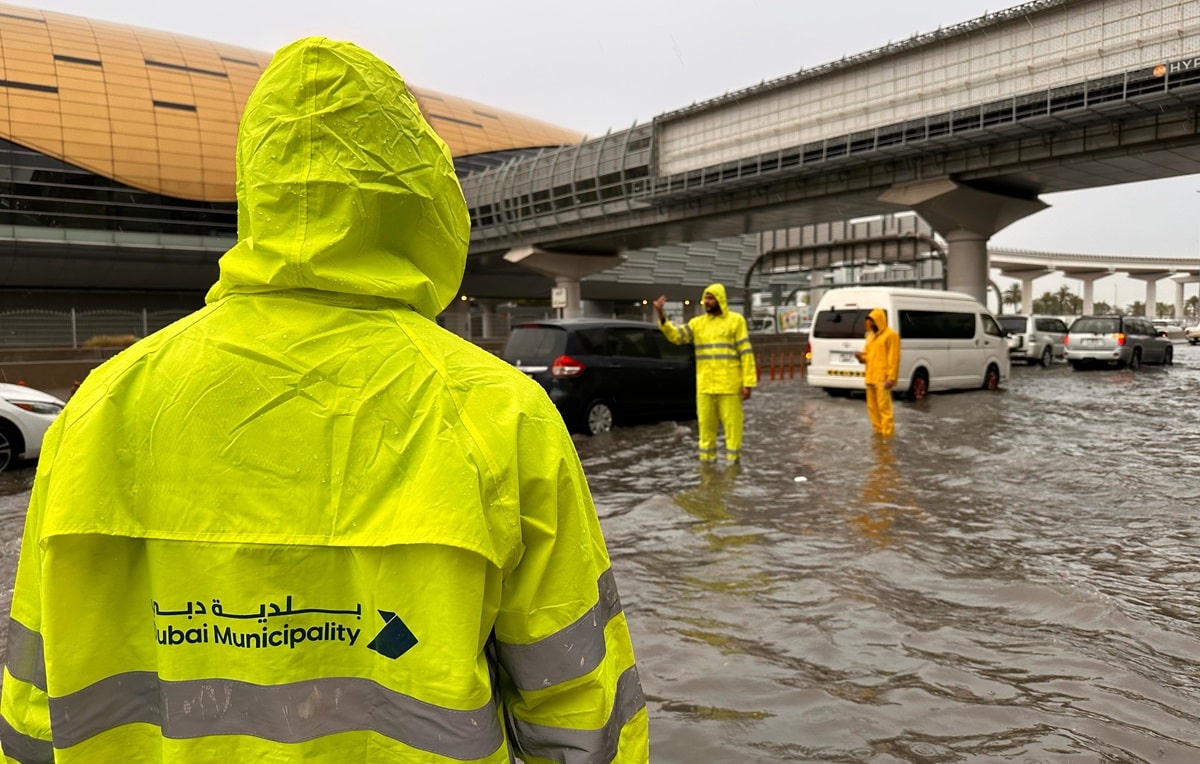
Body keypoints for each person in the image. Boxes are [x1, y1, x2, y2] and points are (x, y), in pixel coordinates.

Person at [0, 38, 648, 763]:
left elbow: (32, 705)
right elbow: (578, 707)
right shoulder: (499, 413)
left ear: (259, 188)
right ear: (419, 197)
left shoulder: (101, 409)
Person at [653, 284, 756, 462]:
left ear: (720, 300)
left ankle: (733, 467)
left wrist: (748, 383)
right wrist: (661, 316)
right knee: (705, 430)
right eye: (705, 298)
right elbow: (677, 336)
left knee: (733, 428)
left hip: (729, 386)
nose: (706, 302)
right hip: (705, 386)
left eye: (710, 298)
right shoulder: (697, 323)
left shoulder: (736, 321)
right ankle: (707, 470)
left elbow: (745, 354)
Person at [854, 308, 901, 438]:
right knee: (872, 409)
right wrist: (860, 357)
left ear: (878, 321)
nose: (870, 324)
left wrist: (891, 378)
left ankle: (887, 435)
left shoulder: (891, 336)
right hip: (870, 378)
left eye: (872, 321)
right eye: (869, 322)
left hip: (882, 379)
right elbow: (868, 356)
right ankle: (878, 434)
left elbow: (894, 358)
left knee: (884, 409)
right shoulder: (871, 337)